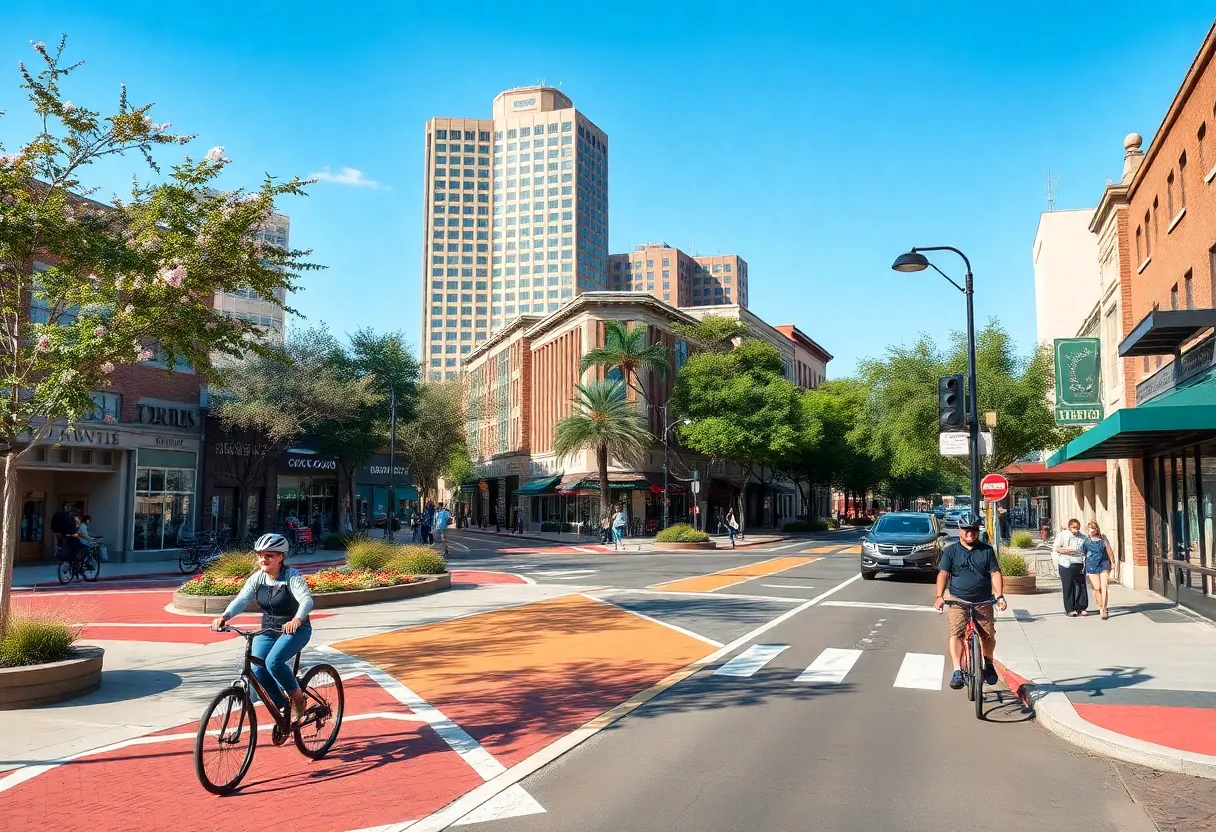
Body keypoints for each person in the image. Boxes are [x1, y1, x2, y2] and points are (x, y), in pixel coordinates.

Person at [210, 533, 314, 722]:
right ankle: (283, 706)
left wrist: (297, 620)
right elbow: (242, 599)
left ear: (281, 557)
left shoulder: (292, 576)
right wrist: (224, 617)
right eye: (261, 555)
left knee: (273, 662)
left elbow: (306, 600)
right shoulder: (258, 578)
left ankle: (298, 700)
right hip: (268, 630)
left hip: (295, 630)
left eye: (270, 556)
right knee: (257, 668)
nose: (263, 559)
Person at [934, 513, 1008, 690]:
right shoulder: (951, 551)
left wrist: (1000, 595)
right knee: (957, 633)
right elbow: (943, 574)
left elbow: (995, 573)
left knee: (988, 635)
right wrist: (939, 597)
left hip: (983, 600)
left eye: (974, 530)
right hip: (957, 600)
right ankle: (957, 671)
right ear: (960, 530)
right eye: (967, 530)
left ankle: (988, 663)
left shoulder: (986, 550)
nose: (970, 533)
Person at [1053, 519, 1089, 617]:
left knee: (1080, 586)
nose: (1076, 530)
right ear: (1069, 527)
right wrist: (1068, 550)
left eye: (1077, 528)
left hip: (1079, 563)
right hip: (1065, 563)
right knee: (1068, 586)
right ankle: (1069, 608)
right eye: (1073, 527)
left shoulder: (1083, 537)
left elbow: (1085, 550)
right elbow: (1056, 547)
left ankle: (1081, 607)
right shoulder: (1063, 535)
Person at [1082, 520, 1117, 620]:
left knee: (1104, 586)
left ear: (1096, 529)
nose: (1091, 530)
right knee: (1097, 588)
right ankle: (1100, 606)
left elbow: (1109, 550)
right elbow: (1083, 552)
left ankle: (1104, 609)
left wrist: (1113, 563)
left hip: (1104, 564)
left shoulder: (1103, 538)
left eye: (1093, 528)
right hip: (1091, 565)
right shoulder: (1086, 541)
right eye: (1089, 528)